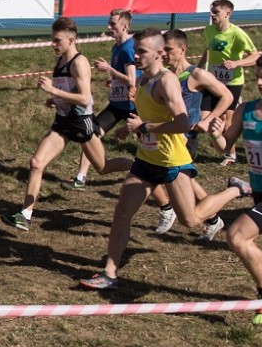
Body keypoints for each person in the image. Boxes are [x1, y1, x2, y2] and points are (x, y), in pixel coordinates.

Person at [79, 28, 251, 291]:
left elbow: (182, 122)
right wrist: (130, 127)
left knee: (191, 220)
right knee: (122, 213)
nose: (135, 55)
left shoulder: (166, 80)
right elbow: (148, 114)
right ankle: (109, 274)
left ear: (159, 53)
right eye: (135, 50)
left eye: (141, 52)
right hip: (147, 159)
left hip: (173, 160)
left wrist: (146, 126)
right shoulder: (144, 80)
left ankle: (234, 190)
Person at [1, 17, 131, 232]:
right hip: (62, 122)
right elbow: (69, 93)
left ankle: (139, 166)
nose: (53, 44)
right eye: (52, 40)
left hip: (81, 124)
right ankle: (25, 215)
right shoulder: (60, 60)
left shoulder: (79, 63)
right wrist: (56, 100)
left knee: (103, 167)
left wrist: (53, 91)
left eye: (57, 40)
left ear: (71, 40)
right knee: (36, 163)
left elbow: (84, 98)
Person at [149, 28, 232, 238]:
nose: (164, 54)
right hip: (165, 137)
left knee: (169, 178)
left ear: (183, 49)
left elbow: (227, 96)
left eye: (169, 49)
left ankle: (177, 212)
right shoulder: (163, 75)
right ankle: (213, 219)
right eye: (162, 50)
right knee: (184, 181)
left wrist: (208, 119)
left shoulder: (196, 75)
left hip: (185, 138)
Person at [65, 9, 138, 191]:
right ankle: (81, 178)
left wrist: (109, 70)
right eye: (109, 23)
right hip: (116, 105)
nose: (108, 27)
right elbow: (122, 78)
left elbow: (131, 80)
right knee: (91, 134)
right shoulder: (116, 47)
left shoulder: (129, 47)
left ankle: (148, 169)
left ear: (125, 26)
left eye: (112, 24)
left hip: (134, 105)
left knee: (151, 144)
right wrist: (112, 81)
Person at [212, 68, 262, 325]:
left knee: (237, 236)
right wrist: (217, 134)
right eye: (259, 77)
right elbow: (225, 147)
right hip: (258, 191)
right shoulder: (247, 110)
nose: (261, 82)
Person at [197, 0, 259, 165]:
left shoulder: (237, 33)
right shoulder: (208, 30)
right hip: (212, 80)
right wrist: (198, 69)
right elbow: (207, 50)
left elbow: (255, 55)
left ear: (228, 14)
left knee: (228, 122)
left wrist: (236, 63)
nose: (212, 15)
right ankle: (218, 138)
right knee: (205, 116)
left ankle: (230, 155)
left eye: (216, 12)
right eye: (212, 11)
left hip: (233, 82)